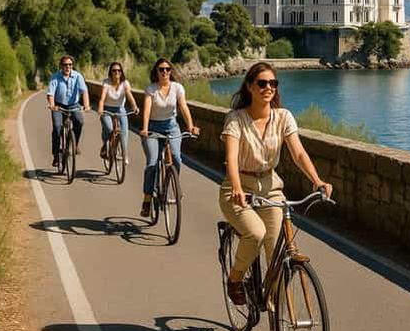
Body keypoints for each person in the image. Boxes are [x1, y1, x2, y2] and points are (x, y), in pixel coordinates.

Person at [220, 61, 333, 305]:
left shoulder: (283, 117)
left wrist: (316, 180)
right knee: (255, 233)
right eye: (262, 83)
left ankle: (273, 300)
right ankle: (236, 278)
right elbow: (230, 157)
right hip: (238, 188)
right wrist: (237, 187)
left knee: (278, 255)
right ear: (250, 86)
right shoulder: (235, 118)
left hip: (271, 188)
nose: (268, 87)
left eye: (273, 83)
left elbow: (299, 154)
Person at [138, 58, 199, 217]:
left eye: (167, 69)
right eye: (161, 69)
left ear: (171, 71)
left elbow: (183, 107)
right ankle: (147, 198)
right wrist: (144, 128)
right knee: (152, 162)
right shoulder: (151, 89)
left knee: (177, 158)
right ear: (156, 72)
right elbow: (147, 109)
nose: (164, 72)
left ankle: (170, 186)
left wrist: (190, 126)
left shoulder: (177, 88)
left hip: (171, 127)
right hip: (153, 127)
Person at [47, 55, 90, 167]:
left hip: (73, 105)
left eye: (70, 64)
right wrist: (52, 105)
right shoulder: (55, 77)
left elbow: (84, 91)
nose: (68, 66)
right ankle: (56, 155)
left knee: (79, 121)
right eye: (65, 64)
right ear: (61, 66)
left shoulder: (77, 76)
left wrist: (86, 105)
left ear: (72, 65)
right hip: (58, 106)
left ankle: (75, 144)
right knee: (57, 128)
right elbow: (50, 93)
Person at [97, 61, 140, 164]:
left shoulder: (125, 83)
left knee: (124, 132)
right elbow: (102, 98)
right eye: (114, 70)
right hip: (107, 109)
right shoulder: (106, 82)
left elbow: (129, 96)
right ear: (110, 72)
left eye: (119, 70)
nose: (117, 72)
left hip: (120, 109)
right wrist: (100, 108)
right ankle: (105, 146)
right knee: (109, 128)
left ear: (121, 72)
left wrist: (134, 107)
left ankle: (124, 154)